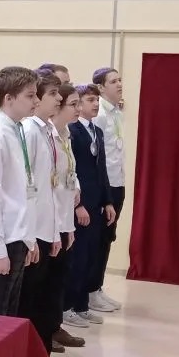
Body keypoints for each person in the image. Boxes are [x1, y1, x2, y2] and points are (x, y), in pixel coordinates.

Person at [0, 66, 63, 357]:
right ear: (8, 98)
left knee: (10, 312)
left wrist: (29, 239)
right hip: (3, 237)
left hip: (19, 235)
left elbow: (24, 191)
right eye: (30, 96)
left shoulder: (17, 130)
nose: (36, 101)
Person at [23, 71, 71, 357]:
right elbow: (28, 186)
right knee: (31, 298)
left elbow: (54, 185)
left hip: (47, 224)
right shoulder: (30, 131)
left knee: (44, 296)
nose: (58, 99)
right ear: (37, 99)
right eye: (53, 94)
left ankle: (42, 354)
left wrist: (57, 231)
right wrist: (32, 236)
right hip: (33, 226)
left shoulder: (49, 131)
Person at [64, 84, 116, 331]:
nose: (95, 104)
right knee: (77, 257)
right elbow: (72, 171)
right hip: (80, 204)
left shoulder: (97, 131)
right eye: (90, 100)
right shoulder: (71, 131)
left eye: (97, 100)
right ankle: (68, 306)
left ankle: (82, 305)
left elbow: (101, 169)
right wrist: (79, 205)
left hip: (96, 202)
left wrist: (107, 200)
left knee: (90, 257)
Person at [50, 83, 85, 349]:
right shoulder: (48, 134)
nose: (78, 109)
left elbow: (69, 170)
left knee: (60, 276)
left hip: (64, 214)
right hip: (51, 216)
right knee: (49, 280)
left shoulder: (66, 134)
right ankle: (46, 330)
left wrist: (77, 188)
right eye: (73, 104)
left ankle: (55, 325)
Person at [91, 66, 126, 314]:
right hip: (106, 185)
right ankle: (91, 290)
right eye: (113, 81)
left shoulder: (116, 113)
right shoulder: (100, 114)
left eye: (120, 80)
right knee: (98, 239)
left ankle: (98, 287)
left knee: (107, 238)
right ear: (101, 87)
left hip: (117, 181)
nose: (119, 84)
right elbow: (98, 156)